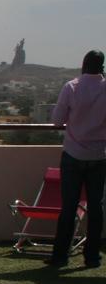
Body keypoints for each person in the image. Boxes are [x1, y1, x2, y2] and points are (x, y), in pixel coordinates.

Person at [49, 50, 106, 268]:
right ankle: (92, 257)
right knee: (96, 208)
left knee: (69, 207)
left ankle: (60, 256)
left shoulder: (71, 87)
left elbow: (57, 121)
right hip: (99, 156)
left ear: (84, 64)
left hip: (73, 154)